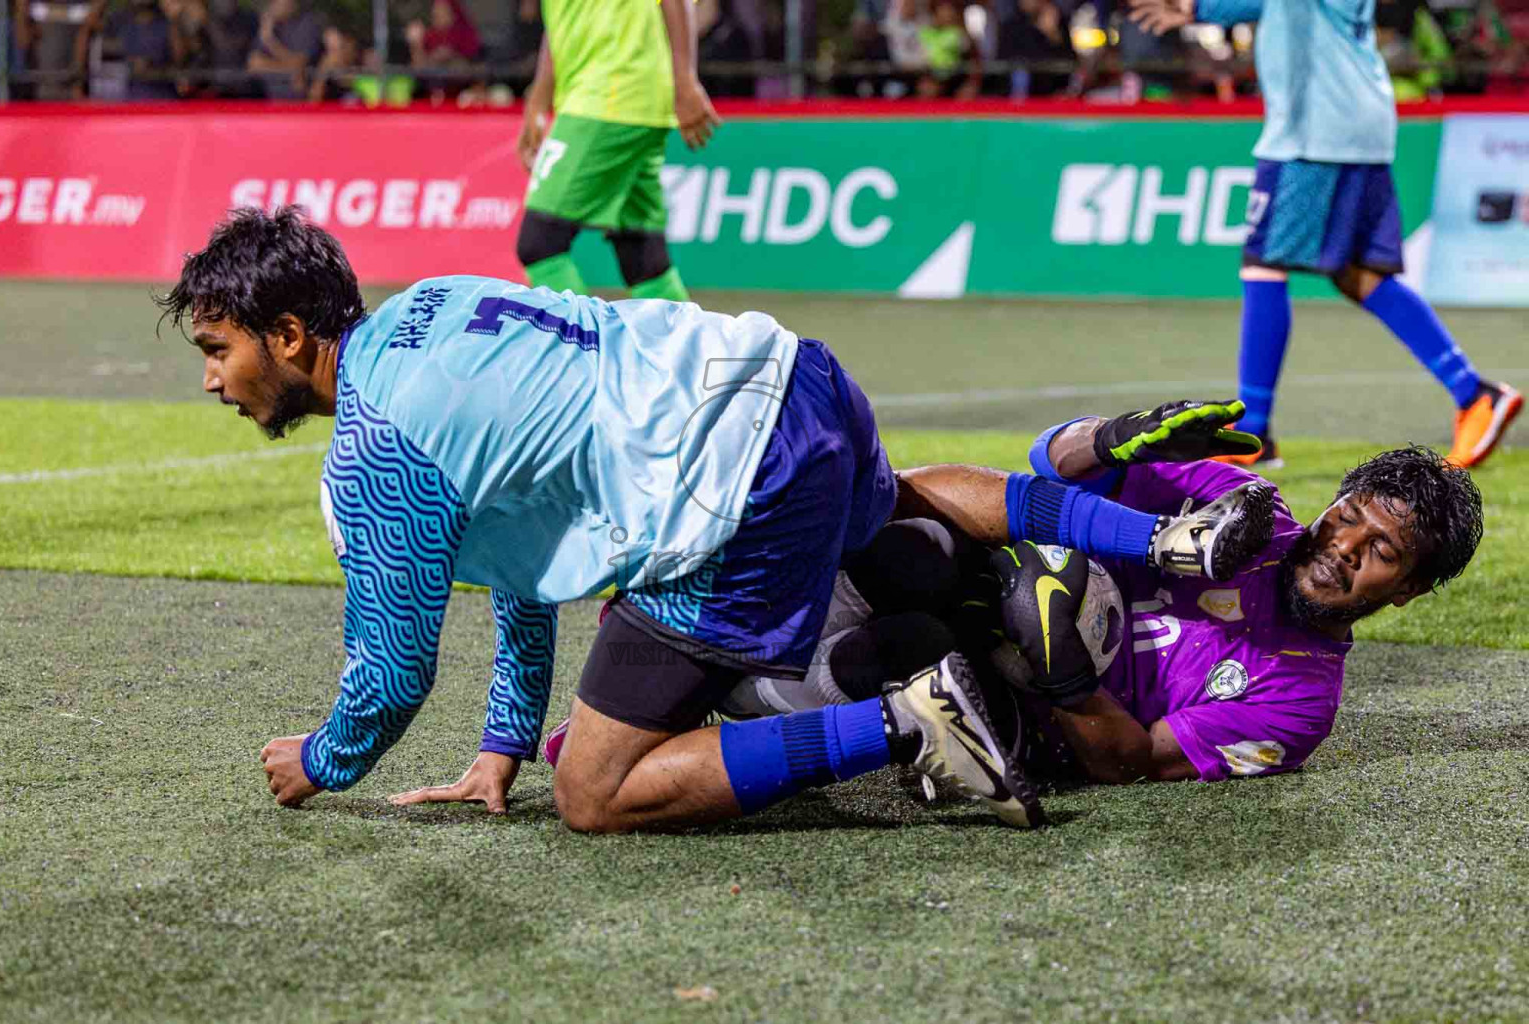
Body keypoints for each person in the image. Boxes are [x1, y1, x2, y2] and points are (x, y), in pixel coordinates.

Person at [160, 208, 1276, 834]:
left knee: (594, 793)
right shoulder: (436, 303)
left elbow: (394, 675)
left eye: (219, 350)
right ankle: (1149, 539)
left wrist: (322, 756)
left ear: (293, 334)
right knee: (895, 509)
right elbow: (523, 548)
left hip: (733, 492)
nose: (213, 380)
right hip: (796, 377)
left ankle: (908, 723)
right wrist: (502, 744)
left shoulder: (374, 446)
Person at [713, 421, 1484, 786]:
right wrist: (1115, 436)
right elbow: (1049, 467)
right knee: (918, 549)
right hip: (984, 591)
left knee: (890, 649)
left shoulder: (1299, 704)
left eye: (1381, 551)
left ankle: (730, 708)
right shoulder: (1244, 513)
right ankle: (712, 656)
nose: (1343, 546)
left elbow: (1132, 763)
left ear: (1409, 591)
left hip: (1027, 721)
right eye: (1348, 515)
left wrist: (1065, 671)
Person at [1129, 0, 1523, 470]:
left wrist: (1202, 8)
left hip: (1316, 132)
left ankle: (1253, 431)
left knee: (1263, 263)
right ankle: (1474, 393)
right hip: (1348, 120)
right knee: (1355, 273)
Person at [513, 0, 720, 302]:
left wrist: (686, 81)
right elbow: (562, 20)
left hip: (612, 96)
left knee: (540, 243)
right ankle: (690, 349)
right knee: (641, 253)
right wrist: (538, 99)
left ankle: (583, 346)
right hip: (615, 98)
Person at [246, 0, 321, 99]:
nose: (273, 5)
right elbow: (253, 65)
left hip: (298, 100)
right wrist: (289, 69)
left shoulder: (307, 24)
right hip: (268, 99)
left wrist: (270, 41)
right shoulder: (270, 25)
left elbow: (299, 64)